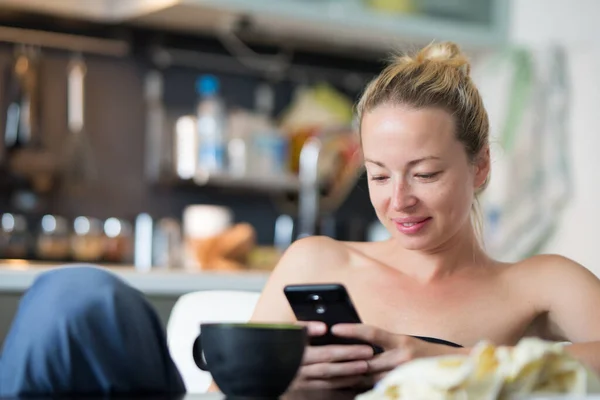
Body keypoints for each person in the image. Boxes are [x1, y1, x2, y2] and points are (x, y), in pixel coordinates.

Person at [237, 41, 600, 390]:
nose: (399, 201)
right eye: (379, 175)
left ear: (480, 166)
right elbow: (219, 390)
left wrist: (448, 361)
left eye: (425, 174)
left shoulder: (533, 286)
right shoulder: (314, 264)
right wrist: (286, 388)